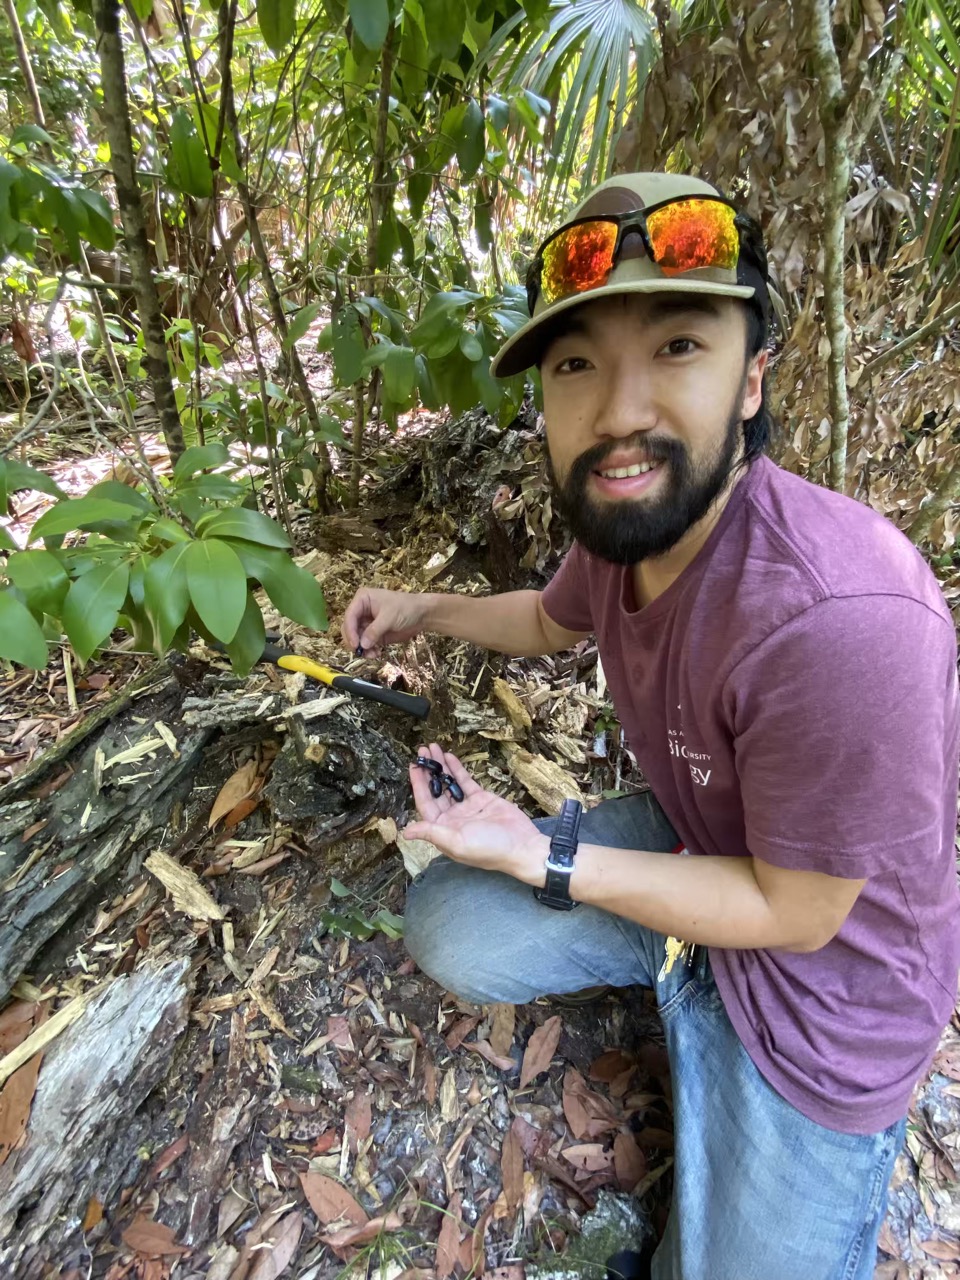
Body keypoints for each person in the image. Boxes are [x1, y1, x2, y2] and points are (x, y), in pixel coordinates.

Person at [341, 172, 960, 1280]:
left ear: (753, 378)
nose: (620, 410)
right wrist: (417, 609)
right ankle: (677, 980)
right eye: (578, 363)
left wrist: (549, 854)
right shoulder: (630, 531)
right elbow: (544, 615)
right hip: (701, 858)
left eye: (677, 345)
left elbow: (796, 909)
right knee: (450, 925)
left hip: (825, 1007)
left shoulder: (844, 616)